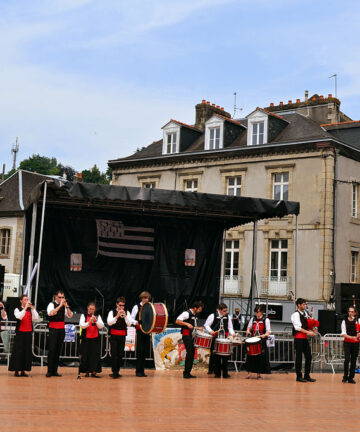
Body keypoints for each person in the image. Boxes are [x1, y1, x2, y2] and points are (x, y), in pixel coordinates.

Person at [9, 295, 39, 377]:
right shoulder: (17, 309)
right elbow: (19, 317)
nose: (27, 301)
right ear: (21, 301)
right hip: (20, 333)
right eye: (25, 299)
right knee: (18, 352)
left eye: (27, 299)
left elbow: (36, 318)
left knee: (26, 352)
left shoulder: (30, 309)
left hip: (28, 333)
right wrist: (25, 308)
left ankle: (23, 370)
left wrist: (32, 308)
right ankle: (16, 370)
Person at [46, 290, 73, 377]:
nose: (61, 299)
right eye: (60, 297)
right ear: (56, 297)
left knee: (58, 350)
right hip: (53, 329)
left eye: (63, 297)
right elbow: (51, 313)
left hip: (61, 329)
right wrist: (60, 305)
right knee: (52, 350)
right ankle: (49, 371)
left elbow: (70, 315)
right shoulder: (51, 304)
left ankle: (55, 370)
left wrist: (67, 307)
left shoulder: (64, 306)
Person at [204, 303, 235, 378]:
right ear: (219, 310)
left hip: (225, 339)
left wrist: (233, 333)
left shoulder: (228, 317)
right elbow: (206, 325)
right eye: (224, 311)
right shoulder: (213, 315)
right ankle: (217, 373)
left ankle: (225, 373)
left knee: (225, 356)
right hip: (216, 338)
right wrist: (211, 331)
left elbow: (230, 327)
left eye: (226, 311)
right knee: (216, 356)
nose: (225, 312)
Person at [108, 296, 135, 378]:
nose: (121, 307)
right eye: (120, 305)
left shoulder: (127, 312)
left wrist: (125, 316)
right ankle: (114, 372)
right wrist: (117, 316)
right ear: (116, 304)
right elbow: (109, 323)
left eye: (123, 305)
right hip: (114, 335)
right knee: (114, 354)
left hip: (122, 335)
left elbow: (129, 324)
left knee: (120, 354)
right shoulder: (111, 312)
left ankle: (117, 371)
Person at [175, 300, 204, 379]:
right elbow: (177, 321)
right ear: (195, 308)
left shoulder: (194, 314)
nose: (200, 311)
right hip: (186, 335)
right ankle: (186, 373)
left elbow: (191, 326)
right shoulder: (186, 313)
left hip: (192, 335)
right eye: (199, 309)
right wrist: (186, 323)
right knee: (190, 352)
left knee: (191, 353)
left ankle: (188, 372)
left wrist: (198, 328)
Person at [291, 298, 316, 383]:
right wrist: (309, 332)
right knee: (299, 357)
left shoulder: (305, 313)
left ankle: (307, 375)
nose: (305, 306)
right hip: (298, 338)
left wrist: (312, 327)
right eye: (304, 304)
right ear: (299, 305)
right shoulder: (295, 314)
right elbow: (297, 327)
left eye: (305, 304)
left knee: (309, 356)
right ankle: (299, 376)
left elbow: (307, 323)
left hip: (304, 338)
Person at [245, 304, 271, 379]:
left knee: (260, 358)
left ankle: (258, 374)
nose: (257, 313)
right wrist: (248, 331)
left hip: (261, 341)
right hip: (253, 340)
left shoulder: (266, 320)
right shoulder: (252, 319)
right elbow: (249, 327)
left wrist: (265, 335)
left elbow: (268, 331)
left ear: (262, 312)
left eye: (258, 312)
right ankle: (249, 373)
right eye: (256, 312)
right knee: (250, 357)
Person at [79, 302, 104, 378]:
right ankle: (86, 371)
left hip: (95, 338)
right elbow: (82, 325)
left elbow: (101, 326)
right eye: (90, 309)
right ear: (87, 308)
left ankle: (94, 371)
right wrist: (89, 322)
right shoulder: (83, 315)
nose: (91, 310)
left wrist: (96, 321)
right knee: (86, 355)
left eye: (93, 309)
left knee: (94, 356)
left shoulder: (97, 316)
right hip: (86, 338)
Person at [130, 291, 152, 377]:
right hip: (139, 331)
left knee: (145, 352)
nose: (146, 299)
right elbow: (131, 319)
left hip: (147, 331)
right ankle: (138, 371)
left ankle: (142, 371)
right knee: (140, 351)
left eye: (148, 298)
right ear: (142, 298)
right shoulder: (136, 307)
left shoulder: (149, 307)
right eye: (145, 298)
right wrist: (137, 322)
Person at [341, 306, 360, 384]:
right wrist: (352, 337)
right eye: (350, 311)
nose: (351, 313)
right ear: (348, 312)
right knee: (347, 359)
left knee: (353, 360)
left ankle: (351, 377)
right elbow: (343, 334)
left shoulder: (358, 321)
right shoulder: (344, 321)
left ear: (355, 313)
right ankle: (345, 376)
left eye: (352, 311)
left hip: (356, 343)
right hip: (347, 343)